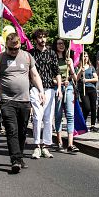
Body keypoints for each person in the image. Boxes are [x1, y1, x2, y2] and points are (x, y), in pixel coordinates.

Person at [0, 32, 42, 173]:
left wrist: (41, 90)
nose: (14, 51)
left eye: (16, 48)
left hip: (24, 101)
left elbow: (35, 75)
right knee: (12, 130)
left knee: (22, 131)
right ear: (6, 46)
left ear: (20, 45)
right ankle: (15, 160)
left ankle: (19, 157)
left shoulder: (26, 56)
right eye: (11, 49)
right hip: (7, 101)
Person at [30, 29, 60, 157]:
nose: (43, 40)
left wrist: (58, 87)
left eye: (44, 37)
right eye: (40, 37)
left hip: (49, 88)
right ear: (35, 40)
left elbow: (56, 71)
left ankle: (46, 145)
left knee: (48, 118)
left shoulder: (52, 53)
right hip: (35, 88)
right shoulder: (30, 54)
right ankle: (36, 145)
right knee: (37, 116)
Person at [53, 39, 80, 152]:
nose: (61, 45)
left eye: (63, 43)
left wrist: (71, 67)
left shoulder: (68, 58)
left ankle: (70, 143)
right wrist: (59, 83)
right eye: (59, 43)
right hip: (57, 88)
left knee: (70, 114)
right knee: (58, 115)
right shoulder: (53, 59)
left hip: (68, 87)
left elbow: (75, 79)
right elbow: (50, 77)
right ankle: (59, 141)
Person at [79, 52, 99, 131]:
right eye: (84, 56)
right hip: (83, 89)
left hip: (92, 88)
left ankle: (93, 125)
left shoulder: (91, 67)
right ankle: (83, 121)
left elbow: (96, 78)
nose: (85, 57)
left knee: (93, 107)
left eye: (87, 56)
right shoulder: (79, 67)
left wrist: (87, 80)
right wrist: (81, 71)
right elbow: (76, 78)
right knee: (86, 107)